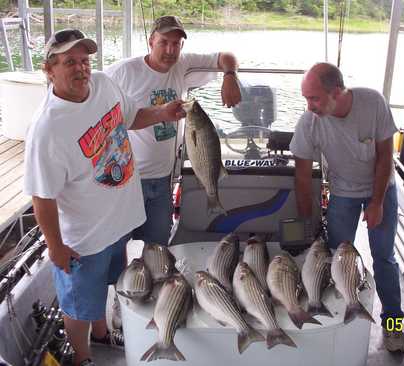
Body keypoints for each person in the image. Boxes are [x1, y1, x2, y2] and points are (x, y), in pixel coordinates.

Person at [23, 29, 185, 366]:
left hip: (118, 223)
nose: (81, 68)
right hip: (84, 238)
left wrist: (163, 113)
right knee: (79, 305)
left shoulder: (102, 84)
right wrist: (55, 246)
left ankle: (101, 335)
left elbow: (130, 117)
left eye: (84, 60)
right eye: (69, 62)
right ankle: (83, 358)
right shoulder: (46, 129)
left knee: (106, 287)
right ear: (49, 69)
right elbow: (42, 197)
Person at [290, 62, 404, 353]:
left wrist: (377, 202)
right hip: (342, 191)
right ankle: (332, 319)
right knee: (334, 257)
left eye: (314, 98)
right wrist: (307, 220)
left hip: (381, 187)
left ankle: (393, 325)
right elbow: (302, 176)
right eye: (306, 98)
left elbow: (384, 157)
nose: (309, 106)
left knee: (384, 257)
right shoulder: (309, 122)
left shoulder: (373, 103)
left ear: (337, 92)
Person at [106, 15, 241, 246]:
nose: (170, 50)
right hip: (128, 180)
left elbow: (227, 57)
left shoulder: (183, 64)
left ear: (182, 46)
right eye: (163, 42)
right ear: (151, 41)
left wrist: (230, 76)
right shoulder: (122, 72)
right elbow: (95, 104)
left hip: (163, 179)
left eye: (176, 44)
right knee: (117, 245)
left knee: (158, 243)